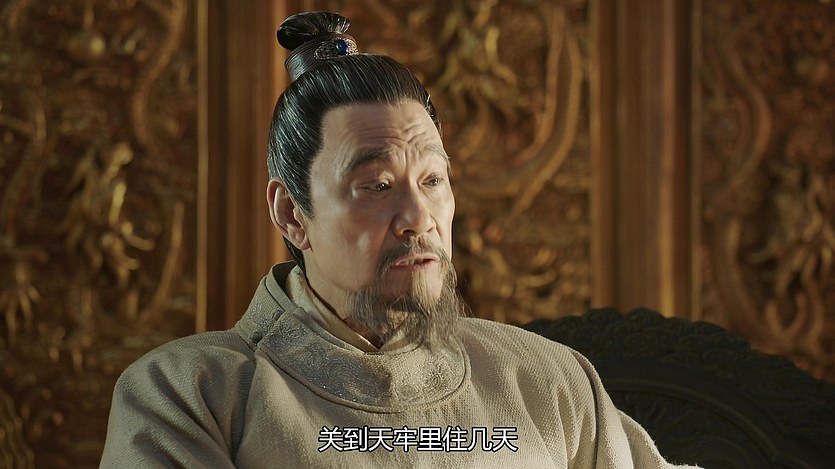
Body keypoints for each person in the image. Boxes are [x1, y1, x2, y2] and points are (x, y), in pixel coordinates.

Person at [101, 11, 699, 468]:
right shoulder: (191, 397)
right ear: (292, 214)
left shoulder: (546, 380)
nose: (418, 217)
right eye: (378, 185)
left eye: (433, 180)